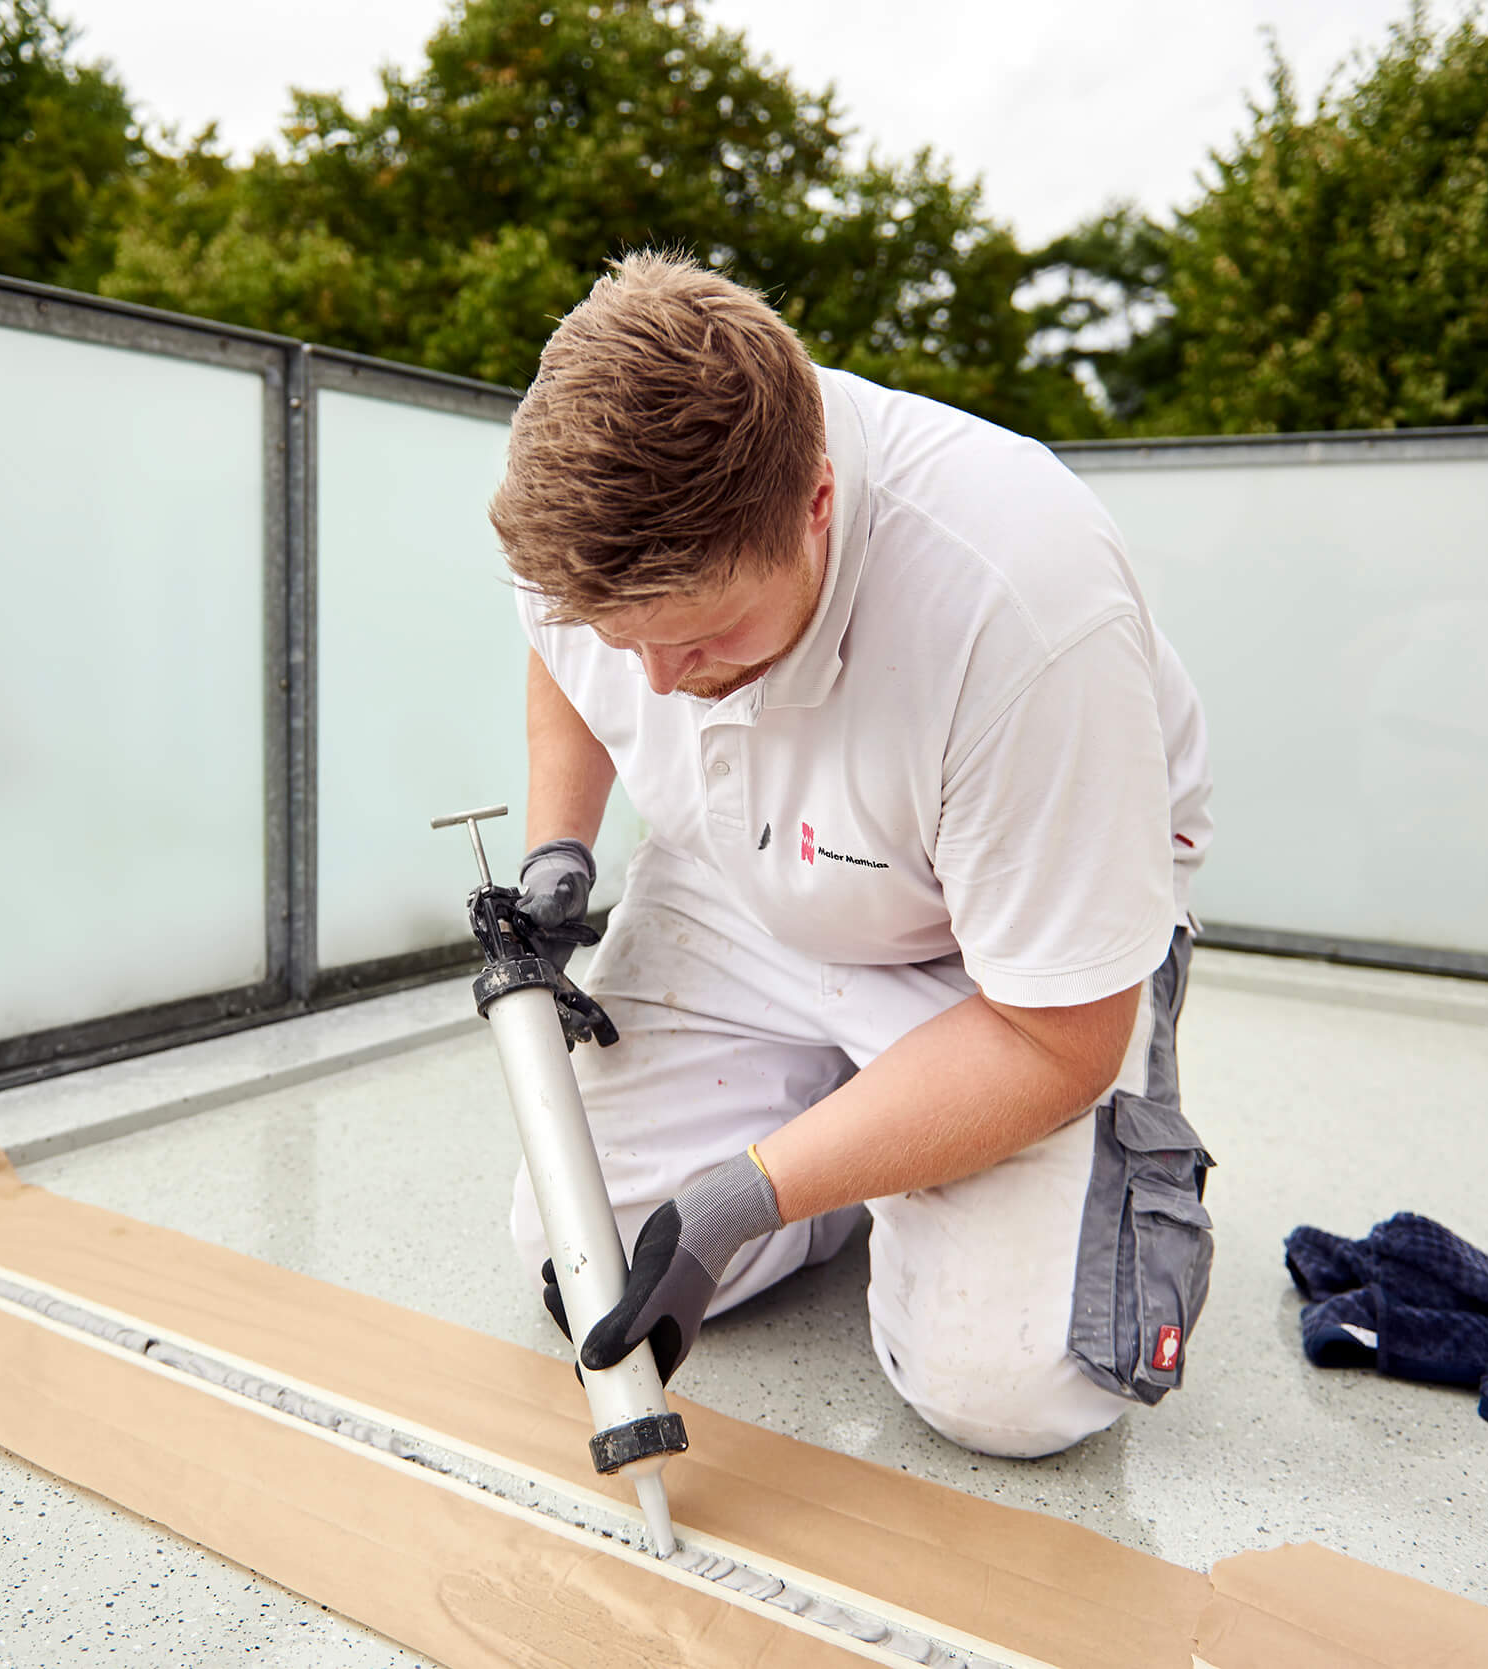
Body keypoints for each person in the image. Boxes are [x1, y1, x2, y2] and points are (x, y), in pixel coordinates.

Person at [490, 253, 1215, 1458]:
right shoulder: (572, 498)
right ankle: (855, 1130)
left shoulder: (1021, 608)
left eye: (704, 636)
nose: (658, 685)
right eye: (627, 642)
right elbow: (572, 656)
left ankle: (865, 1149)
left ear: (815, 503)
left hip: (982, 953)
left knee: (1011, 1392)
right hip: (738, 877)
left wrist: (742, 1197)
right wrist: (560, 846)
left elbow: (1058, 1034)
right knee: (583, 1259)